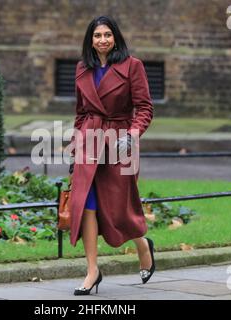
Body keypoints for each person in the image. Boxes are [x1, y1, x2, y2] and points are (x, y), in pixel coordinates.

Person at [68, 15, 155, 296]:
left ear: (115, 37)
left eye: (107, 34)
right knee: (86, 205)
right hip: (88, 143)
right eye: (97, 35)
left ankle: (143, 245)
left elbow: (144, 109)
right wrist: (75, 144)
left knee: (118, 208)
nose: (102, 40)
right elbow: (81, 113)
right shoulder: (82, 68)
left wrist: (131, 135)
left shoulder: (132, 66)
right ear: (90, 41)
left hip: (119, 142)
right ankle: (92, 271)